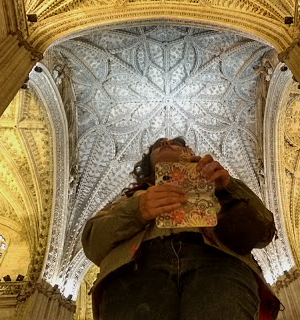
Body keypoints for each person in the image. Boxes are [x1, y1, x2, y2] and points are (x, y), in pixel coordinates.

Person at [82, 137, 281, 320]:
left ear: (189, 152)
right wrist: (137, 210)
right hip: (136, 268)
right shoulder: (129, 199)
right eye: (158, 145)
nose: (165, 144)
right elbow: (93, 243)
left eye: (175, 143)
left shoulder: (220, 188)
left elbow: (265, 233)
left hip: (217, 262)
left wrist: (230, 188)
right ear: (147, 163)